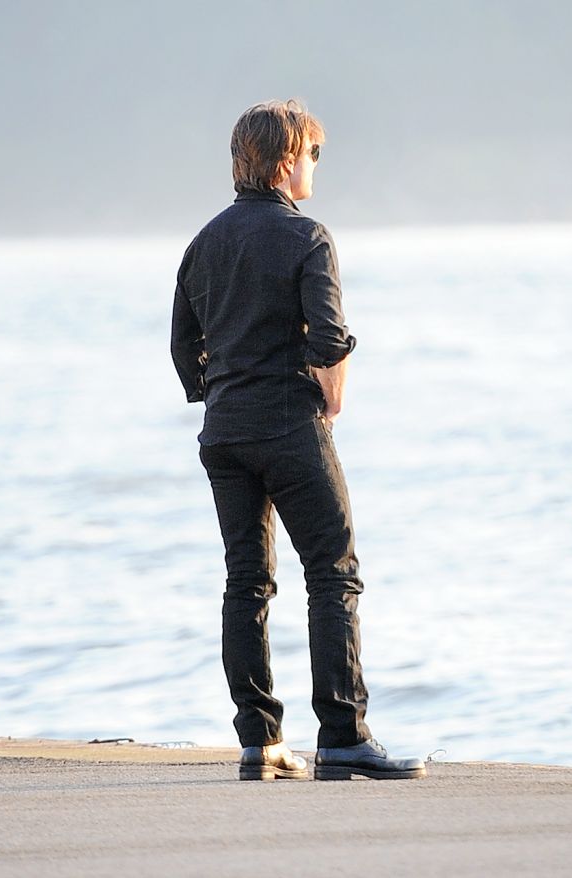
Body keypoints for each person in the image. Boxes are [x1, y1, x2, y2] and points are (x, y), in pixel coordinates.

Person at [171, 99, 425, 782]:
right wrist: (325, 383)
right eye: (314, 153)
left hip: (224, 431)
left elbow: (182, 347)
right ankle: (342, 736)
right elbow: (330, 336)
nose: (316, 165)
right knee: (332, 572)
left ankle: (260, 741)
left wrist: (220, 391)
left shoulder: (202, 244)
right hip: (288, 424)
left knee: (246, 582)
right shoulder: (308, 237)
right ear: (286, 162)